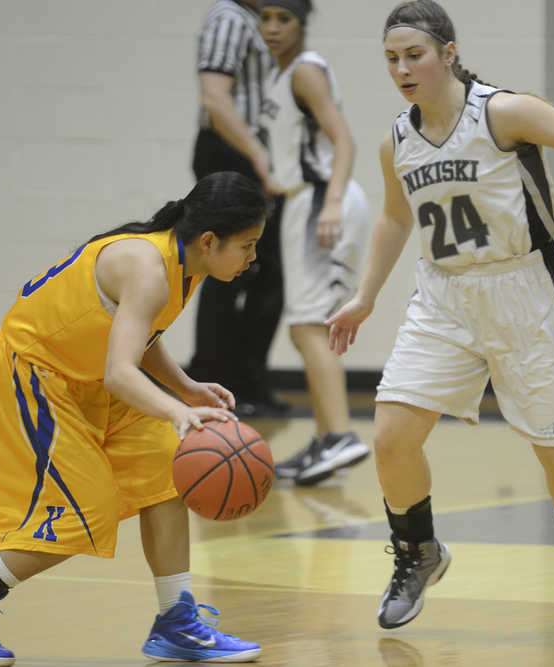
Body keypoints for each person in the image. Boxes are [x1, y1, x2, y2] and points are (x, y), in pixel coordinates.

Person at [326, 0, 554, 634]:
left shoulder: (501, 112)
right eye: (392, 59)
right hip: (443, 298)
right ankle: (417, 552)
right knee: (391, 438)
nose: (402, 69)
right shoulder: (396, 140)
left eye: (414, 55)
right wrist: (365, 296)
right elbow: (398, 219)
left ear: (447, 53)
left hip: (526, 290)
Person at [0, 172, 269, 666]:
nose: (253, 259)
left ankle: (177, 621)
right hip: (39, 373)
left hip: (89, 376)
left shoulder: (183, 262)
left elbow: (138, 336)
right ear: (210, 241)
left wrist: (185, 387)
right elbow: (120, 374)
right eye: (248, 246)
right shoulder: (147, 266)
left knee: (168, 470)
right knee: (86, 511)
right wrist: (179, 411)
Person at [256, 0, 372, 485]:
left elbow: (344, 140)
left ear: (302, 24)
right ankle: (327, 441)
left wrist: (331, 201)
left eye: (284, 18)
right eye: (265, 18)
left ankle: (340, 435)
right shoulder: (279, 76)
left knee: (309, 328)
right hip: (305, 202)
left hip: (323, 202)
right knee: (307, 328)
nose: (272, 28)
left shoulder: (305, 71)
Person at [189, 0, 289, 418]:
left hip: (251, 153)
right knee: (228, 270)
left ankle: (244, 381)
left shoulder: (253, 20)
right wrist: (256, 155)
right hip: (232, 153)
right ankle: (216, 379)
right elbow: (214, 98)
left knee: (265, 275)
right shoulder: (228, 18)